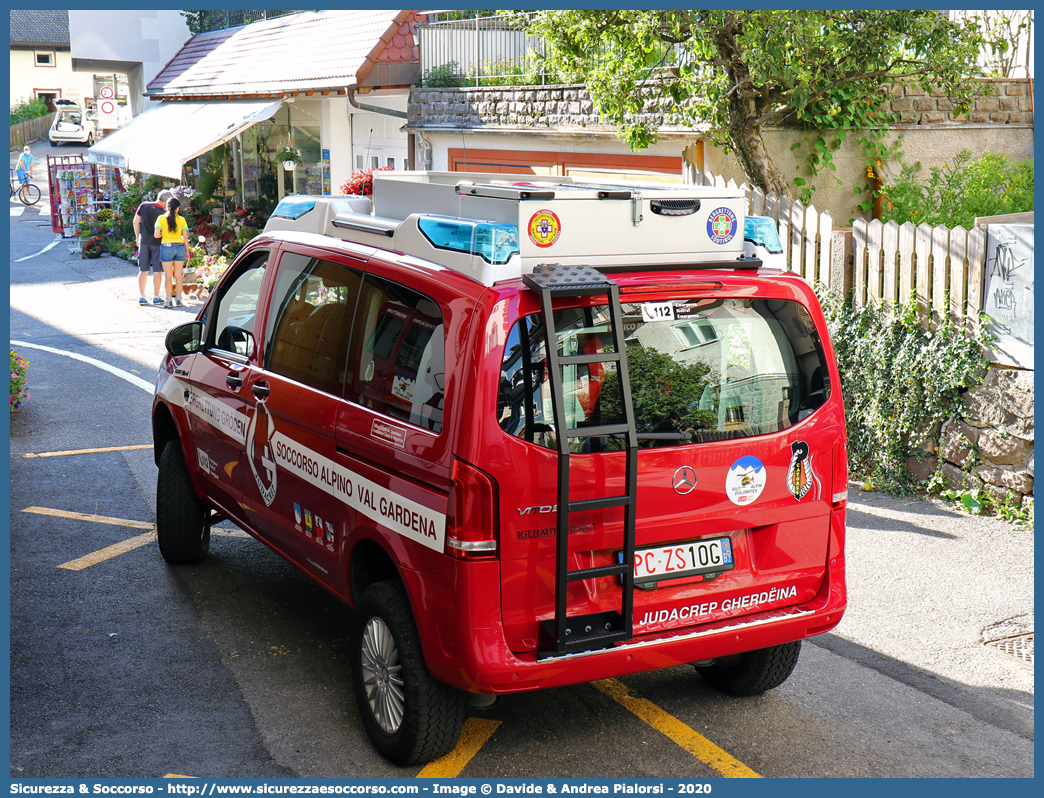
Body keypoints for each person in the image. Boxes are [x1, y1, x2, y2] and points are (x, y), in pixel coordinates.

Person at [133, 189, 173, 306]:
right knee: (157, 270)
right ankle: (156, 296)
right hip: (157, 243)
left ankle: (142, 296)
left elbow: (136, 222)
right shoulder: (163, 213)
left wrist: (137, 237)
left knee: (143, 270)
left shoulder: (144, 205)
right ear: (166, 201)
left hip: (144, 241)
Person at [154, 196, 190, 308]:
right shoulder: (182, 220)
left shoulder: (161, 218)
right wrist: (187, 251)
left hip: (166, 246)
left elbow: (156, 235)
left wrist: (164, 235)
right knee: (179, 276)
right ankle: (179, 299)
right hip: (180, 247)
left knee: (168, 276)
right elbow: (185, 237)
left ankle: (169, 300)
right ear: (177, 209)